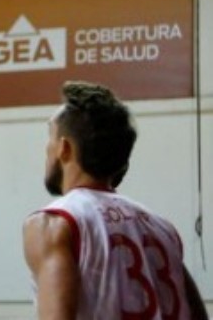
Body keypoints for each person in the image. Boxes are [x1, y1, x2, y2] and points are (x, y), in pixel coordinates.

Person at [23, 81, 207, 320]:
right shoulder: (162, 228)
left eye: (50, 138)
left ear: (64, 148)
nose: (46, 149)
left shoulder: (55, 223)